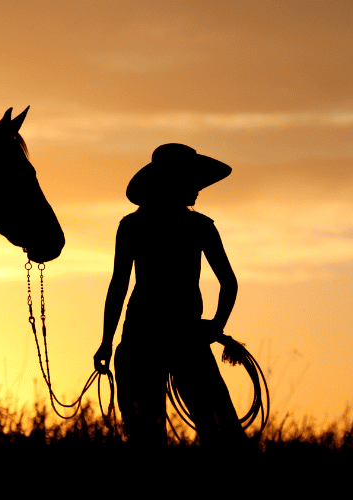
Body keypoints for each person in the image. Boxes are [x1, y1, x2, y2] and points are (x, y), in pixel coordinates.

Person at [93, 143, 244, 446]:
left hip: (140, 336)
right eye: (192, 182)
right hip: (185, 337)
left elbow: (119, 286)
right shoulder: (200, 227)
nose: (198, 190)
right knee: (221, 430)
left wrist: (107, 342)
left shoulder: (132, 226)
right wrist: (215, 326)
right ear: (174, 183)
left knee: (144, 435)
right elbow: (229, 283)